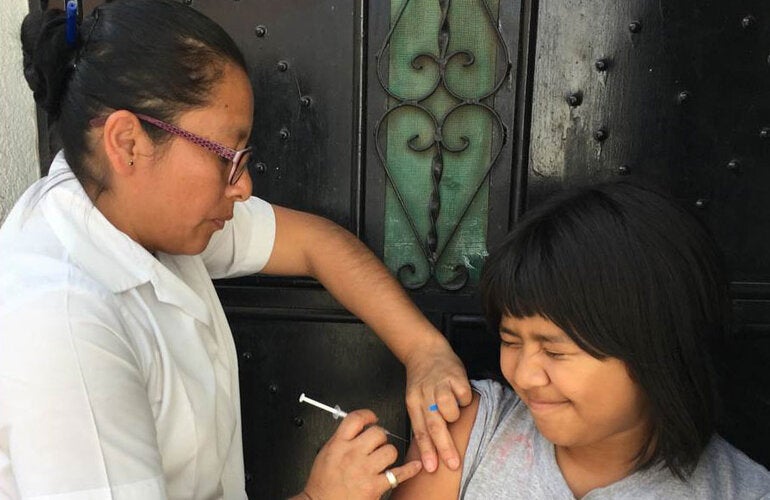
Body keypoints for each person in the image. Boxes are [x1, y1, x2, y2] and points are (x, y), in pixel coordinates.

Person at [0, 1, 472, 498]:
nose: (243, 187)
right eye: (227, 156)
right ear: (128, 143)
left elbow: (314, 243)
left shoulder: (133, 208)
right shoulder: (64, 330)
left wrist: (424, 350)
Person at [392, 181, 770, 499]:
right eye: (511, 341)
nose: (524, 376)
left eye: (555, 350)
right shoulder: (472, 429)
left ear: (659, 349)